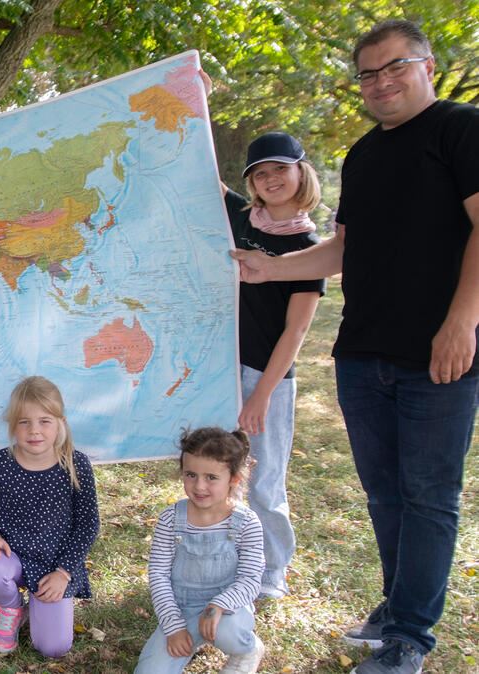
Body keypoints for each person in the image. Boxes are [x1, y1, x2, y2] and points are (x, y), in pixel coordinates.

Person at [232, 19, 479, 674]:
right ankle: (397, 608)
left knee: (429, 496)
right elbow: (342, 249)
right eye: (368, 73)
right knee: (385, 495)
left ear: (426, 65)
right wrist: (266, 267)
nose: (381, 82)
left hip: (439, 357)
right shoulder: (364, 156)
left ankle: (410, 638)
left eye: (395, 66)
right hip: (364, 356)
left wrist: (463, 321)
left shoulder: (462, 129)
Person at [224, 132, 324, 599]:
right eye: (259, 173)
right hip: (220, 370)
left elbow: (297, 331)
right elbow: (200, 171)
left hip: (268, 378)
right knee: (222, 473)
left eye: (280, 169)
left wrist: (261, 394)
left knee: (264, 482)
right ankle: (230, 560)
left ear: (301, 172)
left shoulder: (309, 246)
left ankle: (271, 573)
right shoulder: (243, 219)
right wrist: (191, 95)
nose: (270, 179)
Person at [0, 376, 99, 658]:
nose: (34, 430)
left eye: (44, 421)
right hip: (10, 557)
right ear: (12, 424)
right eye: (24, 422)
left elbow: (88, 524)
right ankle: (12, 607)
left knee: (53, 648)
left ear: (60, 422)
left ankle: (38, 609)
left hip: (54, 566)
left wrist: (64, 572)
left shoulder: (75, 464)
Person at [134, 427, 266, 673]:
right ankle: (188, 638)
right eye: (191, 475)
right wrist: (174, 627)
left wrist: (218, 606)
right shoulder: (170, 519)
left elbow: (250, 580)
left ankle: (246, 650)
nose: (199, 486)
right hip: (181, 609)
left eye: (211, 477)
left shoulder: (247, 522)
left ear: (234, 479)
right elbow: (159, 576)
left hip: (228, 610)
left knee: (228, 632)